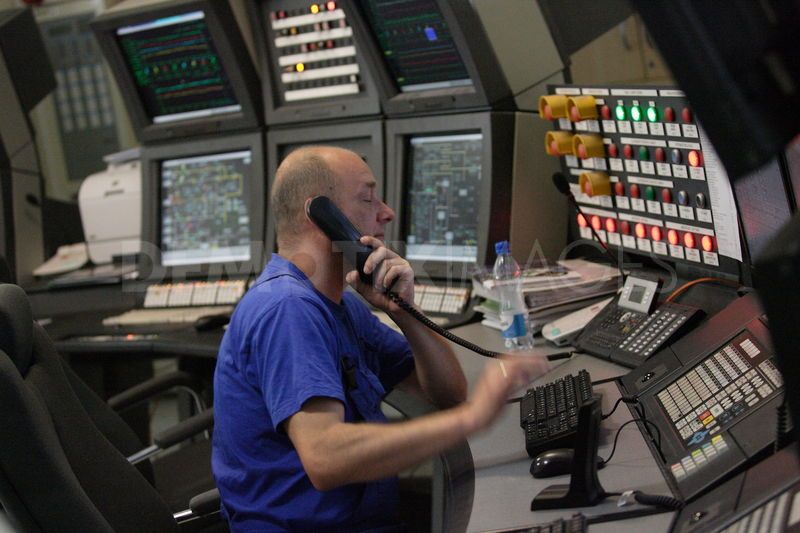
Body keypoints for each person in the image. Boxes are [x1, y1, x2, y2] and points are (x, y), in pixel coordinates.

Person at [212, 146, 550, 531]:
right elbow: (325, 459)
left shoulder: (340, 305)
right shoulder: (288, 309)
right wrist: (471, 419)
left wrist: (405, 312)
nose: (386, 212)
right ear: (322, 215)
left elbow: (444, 393)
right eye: (368, 198)